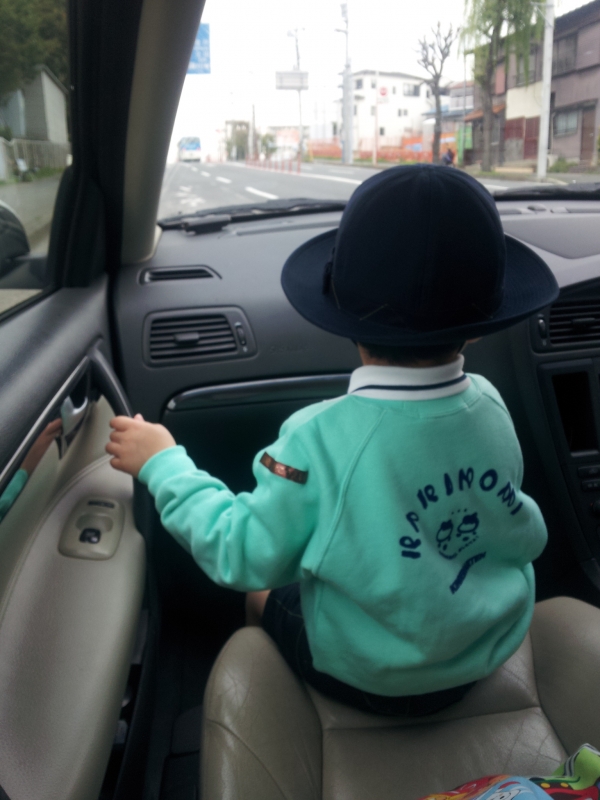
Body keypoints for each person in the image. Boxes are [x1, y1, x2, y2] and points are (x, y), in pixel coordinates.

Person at [106, 165, 559, 717]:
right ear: (482, 324)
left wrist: (162, 463)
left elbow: (240, 552)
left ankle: (289, 705)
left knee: (260, 593)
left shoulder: (317, 438)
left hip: (376, 679)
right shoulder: (490, 403)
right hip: (488, 644)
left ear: (340, 313)